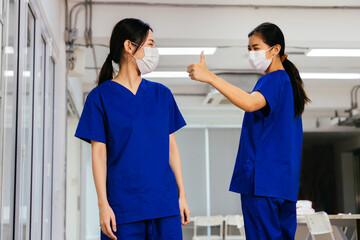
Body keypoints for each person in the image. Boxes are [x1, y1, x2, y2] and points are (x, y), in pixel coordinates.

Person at [187, 22, 310, 239]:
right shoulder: (289, 86)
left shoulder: (273, 80)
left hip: (262, 184)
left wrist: (210, 77)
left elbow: (250, 103)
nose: (251, 53)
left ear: (275, 49)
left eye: (256, 47)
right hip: (284, 187)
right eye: (249, 49)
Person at [75, 18, 190, 240]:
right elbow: (98, 153)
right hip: (123, 209)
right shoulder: (100, 97)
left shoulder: (162, 94)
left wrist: (182, 195)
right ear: (129, 46)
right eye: (151, 45)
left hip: (165, 207)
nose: (154, 52)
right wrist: (102, 204)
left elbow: (172, 148)